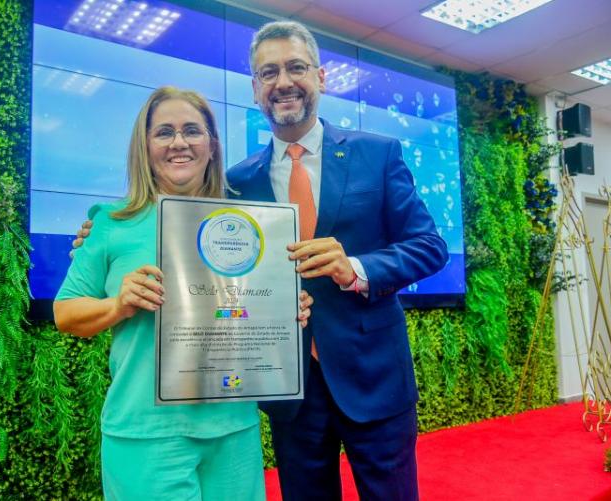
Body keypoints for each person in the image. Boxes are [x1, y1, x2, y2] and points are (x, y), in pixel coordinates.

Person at [73, 21, 448, 501]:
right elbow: (187, 237)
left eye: (296, 68)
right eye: (268, 73)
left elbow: (429, 246)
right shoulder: (236, 183)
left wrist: (356, 268)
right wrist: (97, 236)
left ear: (320, 77)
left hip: (373, 379)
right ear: (255, 89)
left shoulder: (377, 154)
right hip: (287, 388)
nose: (283, 82)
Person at [55, 86, 312, 501]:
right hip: (146, 434)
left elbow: (246, 308)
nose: (179, 142)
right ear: (145, 146)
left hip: (234, 430)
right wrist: (118, 305)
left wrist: (283, 307)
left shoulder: (247, 225)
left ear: (211, 146)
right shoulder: (111, 222)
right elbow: (66, 314)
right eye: (164, 132)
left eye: (192, 131)